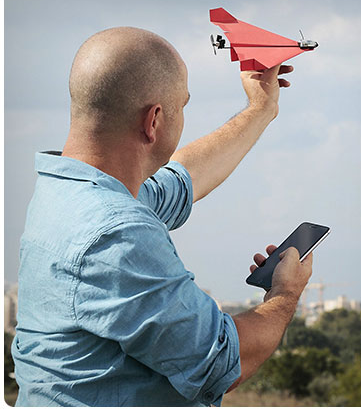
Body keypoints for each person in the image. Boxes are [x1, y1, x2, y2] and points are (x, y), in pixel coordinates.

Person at [12, 27, 313, 406]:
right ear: (153, 121)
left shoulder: (67, 191)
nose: (183, 116)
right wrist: (285, 293)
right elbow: (220, 362)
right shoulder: (116, 232)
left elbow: (183, 178)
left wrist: (260, 109)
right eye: (182, 107)